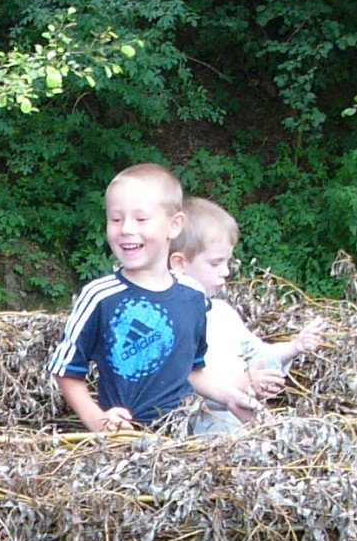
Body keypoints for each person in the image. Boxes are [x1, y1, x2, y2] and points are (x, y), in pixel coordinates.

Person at [49, 164, 260, 432]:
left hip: (182, 440)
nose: (126, 229)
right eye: (116, 219)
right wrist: (96, 419)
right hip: (123, 444)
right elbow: (65, 370)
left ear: (174, 225)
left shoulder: (192, 295)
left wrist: (231, 397)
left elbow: (193, 371)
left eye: (141, 219)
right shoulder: (100, 296)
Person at [167, 198, 330, 432]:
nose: (225, 272)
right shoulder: (169, 322)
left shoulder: (223, 313)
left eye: (227, 262)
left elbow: (258, 355)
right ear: (180, 263)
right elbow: (185, 388)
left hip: (236, 439)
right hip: (196, 446)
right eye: (215, 263)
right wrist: (247, 382)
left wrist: (295, 346)